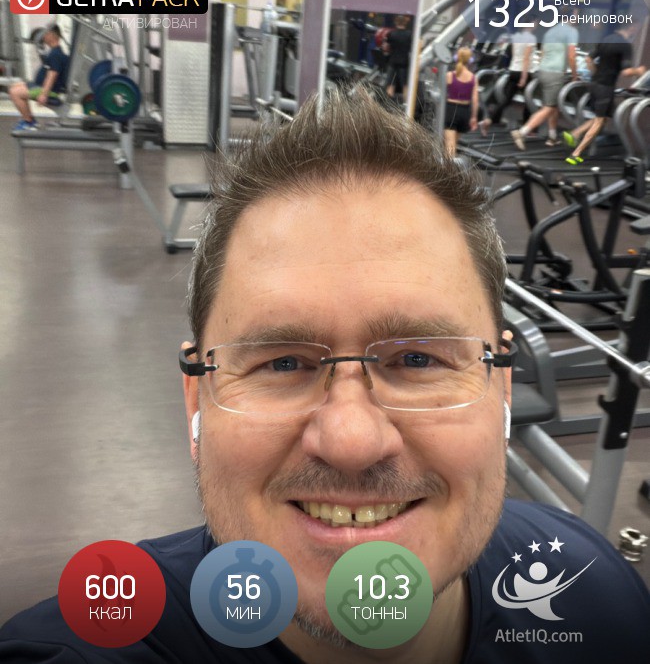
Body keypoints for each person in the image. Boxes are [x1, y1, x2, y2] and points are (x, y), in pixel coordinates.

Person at [1, 89, 648, 663]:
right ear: (196, 403)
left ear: (501, 388)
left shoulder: (593, 589)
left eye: (418, 359)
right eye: (282, 363)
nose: (351, 440)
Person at [563, 23, 646, 165]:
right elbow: (626, 72)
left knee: (604, 117)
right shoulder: (625, 45)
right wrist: (639, 71)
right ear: (632, 27)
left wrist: (596, 73)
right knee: (599, 121)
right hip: (606, 87)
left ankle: (575, 134)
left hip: (595, 83)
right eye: (635, 28)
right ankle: (575, 154)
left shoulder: (607, 39)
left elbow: (588, 59)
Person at [510, 12, 578, 150]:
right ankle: (522, 132)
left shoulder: (550, 31)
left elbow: (542, 52)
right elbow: (572, 56)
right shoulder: (571, 31)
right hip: (555, 73)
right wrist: (575, 75)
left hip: (543, 71)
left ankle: (552, 137)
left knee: (552, 105)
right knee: (549, 107)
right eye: (577, 15)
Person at [479, 21, 536, 135]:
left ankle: (489, 120)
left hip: (513, 70)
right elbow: (526, 59)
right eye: (535, 23)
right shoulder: (531, 38)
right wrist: (524, 77)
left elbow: (515, 55)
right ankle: (528, 128)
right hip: (523, 72)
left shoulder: (516, 37)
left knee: (506, 100)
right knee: (529, 100)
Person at [8, 23, 68, 132]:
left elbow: (52, 75)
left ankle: (29, 122)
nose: (43, 37)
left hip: (50, 91)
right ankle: (28, 119)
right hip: (40, 86)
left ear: (51, 35)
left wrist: (44, 94)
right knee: (14, 86)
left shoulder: (55, 54)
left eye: (45, 34)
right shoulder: (54, 52)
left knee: (14, 92)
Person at [444, 46, 479, 156]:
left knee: (449, 145)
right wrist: (474, 117)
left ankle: (448, 165)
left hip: (451, 110)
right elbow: (475, 100)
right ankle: (449, 162)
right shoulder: (473, 78)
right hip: (465, 112)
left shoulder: (449, 75)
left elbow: (441, 95)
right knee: (453, 143)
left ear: (456, 58)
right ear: (470, 60)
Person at [384, 14, 412, 99]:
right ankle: (406, 103)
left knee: (390, 84)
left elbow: (385, 47)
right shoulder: (409, 34)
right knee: (405, 84)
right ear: (405, 23)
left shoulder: (391, 34)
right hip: (404, 63)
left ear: (396, 22)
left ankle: (388, 103)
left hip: (393, 62)